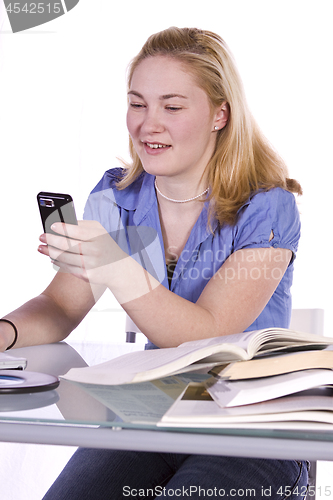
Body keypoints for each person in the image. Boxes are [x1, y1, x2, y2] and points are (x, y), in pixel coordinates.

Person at [0, 27, 308, 499]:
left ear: (219, 114)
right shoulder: (119, 195)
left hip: (256, 421)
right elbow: (61, 305)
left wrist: (115, 264)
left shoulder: (267, 206)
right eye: (138, 103)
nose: (148, 124)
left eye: (173, 106)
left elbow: (210, 334)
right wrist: (5, 332)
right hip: (156, 403)